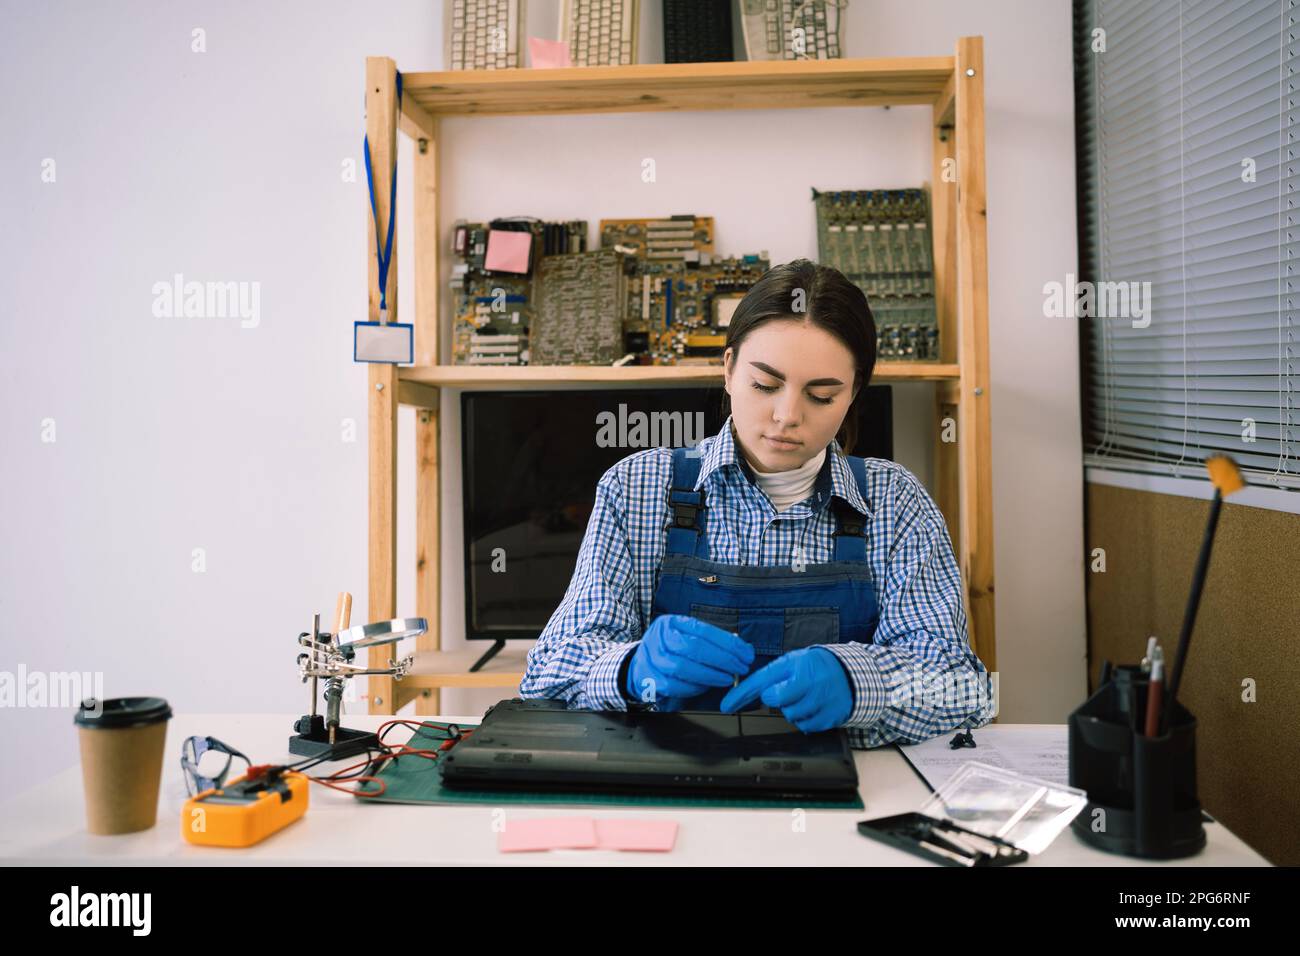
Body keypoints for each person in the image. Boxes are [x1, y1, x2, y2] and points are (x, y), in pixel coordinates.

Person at [520, 259, 995, 747]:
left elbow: (961, 688)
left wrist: (859, 682)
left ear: (853, 394)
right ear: (728, 371)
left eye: (822, 395)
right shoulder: (637, 487)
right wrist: (627, 668)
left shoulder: (895, 501)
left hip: (844, 798)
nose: (787, 415)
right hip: (672, 793)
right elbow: (547, 674)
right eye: (765, 385)